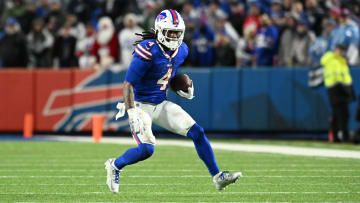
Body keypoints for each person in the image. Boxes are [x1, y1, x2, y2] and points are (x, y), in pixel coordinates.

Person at [104, 9, 242, 194]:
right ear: (160, 31)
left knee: (197, 132)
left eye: (178, 33)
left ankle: (218, 177)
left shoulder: (182, 50)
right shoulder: (147, 50)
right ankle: (115, 165)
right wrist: (132, 112)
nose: (175, 36)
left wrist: (178, 86)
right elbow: (128, 84)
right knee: (146, 150)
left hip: (160, 103)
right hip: (139, 105)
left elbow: (165, 75)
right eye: (171, 32)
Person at [321, 44, 355, 142]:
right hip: (334, 88)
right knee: (339, 114)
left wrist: (349, 89)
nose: (340, 52)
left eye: (341, 50)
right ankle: (340, 137)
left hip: (343, 88)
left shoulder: (341, 61)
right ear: (335, 50)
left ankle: (339, 137)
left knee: (341, 114)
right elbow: (335, 74)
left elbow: (344, 76)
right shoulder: (331, 59)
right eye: (338, 50)